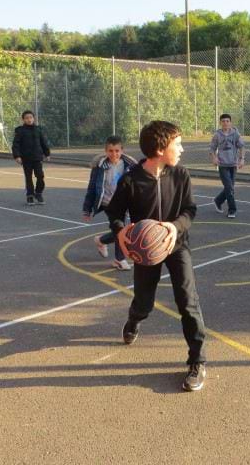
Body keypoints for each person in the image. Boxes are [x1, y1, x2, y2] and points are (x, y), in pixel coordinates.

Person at [105, 120, 207, 392]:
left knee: (188, 301)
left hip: (177, 244)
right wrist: (122, 233)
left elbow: (190, 210)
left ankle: (197, 360)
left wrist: (175, 227)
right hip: (145, 250)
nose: (182, 149)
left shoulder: (181, 175)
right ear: (161, 149)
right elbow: (114, 213)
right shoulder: (131, 179)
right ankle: (134, 319)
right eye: (178, 143)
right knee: (144, 303)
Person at [82, 135, 137, 271]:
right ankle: (119, 259)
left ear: (122, 150)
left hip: (124, 203)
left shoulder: (129, 166)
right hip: (108, 203)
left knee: (120, 230)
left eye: (117, 151)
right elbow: (92, 188)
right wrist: (87, 209)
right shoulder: (100, 167)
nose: (114, 154)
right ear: (106, 151)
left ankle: (101, 240)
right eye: (111, 151)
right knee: (120, 230)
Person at [209, 113, 245, 218]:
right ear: (220, 123)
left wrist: (242, 159)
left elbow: (242, 147)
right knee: (229, 188)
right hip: (222, 165)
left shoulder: (235, 134)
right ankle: (232, 210)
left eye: (227, 121)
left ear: (230, 123)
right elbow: (211, 148)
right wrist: (214, 158)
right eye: (223, 121)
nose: (225, 123)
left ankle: (218, 200)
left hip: (233, 164)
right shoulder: (217, 135)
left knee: (230, 188)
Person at [12, 110, 51, 206]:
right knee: (28, 177)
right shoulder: (20, 131)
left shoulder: (38, 130)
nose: (29, 120)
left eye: (31, 118)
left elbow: (43, 142)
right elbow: (15, 145)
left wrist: (47, 153)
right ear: (23, 120)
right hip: (26, 158)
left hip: (37, 157)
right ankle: (30, 195)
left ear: (34, 119)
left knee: (40, 176)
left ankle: (38, 193)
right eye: (27, 118)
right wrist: (17, 156)